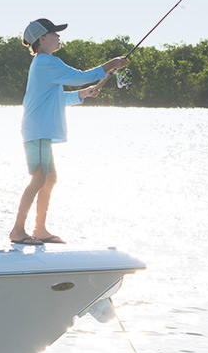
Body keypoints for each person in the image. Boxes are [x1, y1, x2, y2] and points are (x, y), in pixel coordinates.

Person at [10, 18, 129, 245]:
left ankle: (40, 230)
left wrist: (82, 94)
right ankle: (18, 231)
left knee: (50, 178)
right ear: (42, 39)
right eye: (54, 33)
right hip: (37, 131)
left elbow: (57, 98)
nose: (58, 36)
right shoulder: (45, 62)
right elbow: (82, 76)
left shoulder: (45, 64)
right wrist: (111, 64)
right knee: (39, 179)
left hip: (38, 131)